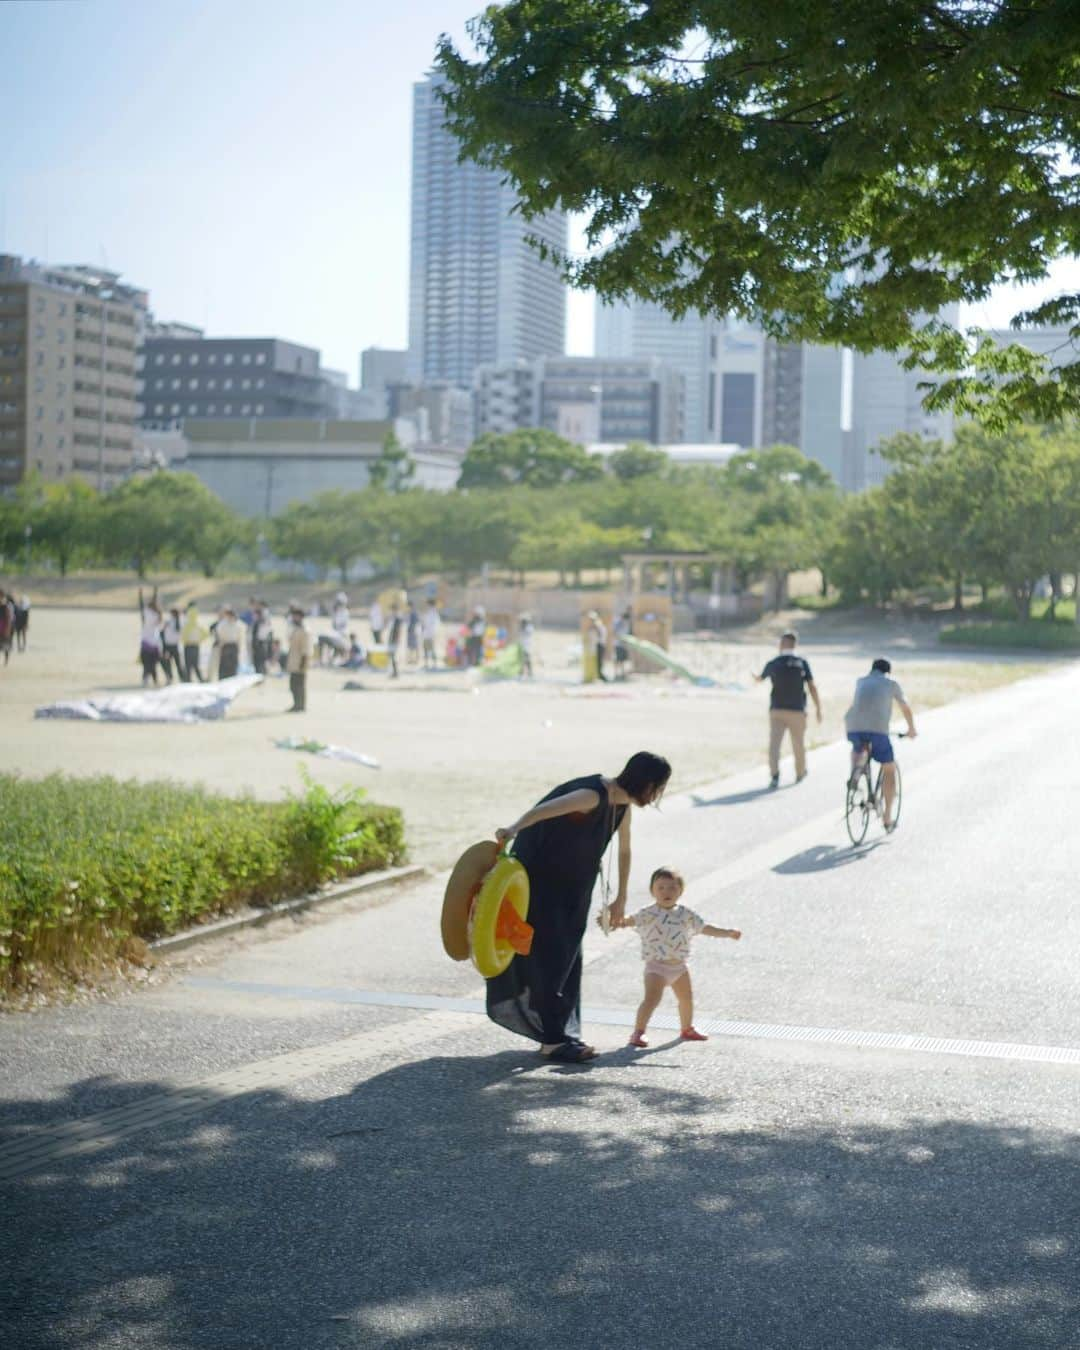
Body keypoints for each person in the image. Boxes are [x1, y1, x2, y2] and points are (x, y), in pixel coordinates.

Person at [488, 750, 673, 1063]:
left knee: (570, 959)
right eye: (657, 788)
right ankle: (553, 1039)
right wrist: (513, 828)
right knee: (551, 957)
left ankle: (559, 1033)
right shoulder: (591, 796)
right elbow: (543, 811)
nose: (656, 795)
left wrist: (621, 897)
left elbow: (625, 850)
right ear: (645, 783)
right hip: (542, 882)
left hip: (575, 886)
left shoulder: (621, 806)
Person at [617, 865, 741, 1047]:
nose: (666, 892)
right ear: (652, 891)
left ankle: (687, 1028)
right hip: (656, 966)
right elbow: (630, 920)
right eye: (660, 888)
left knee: (686, 998)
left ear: (680, 891)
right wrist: (618, 921)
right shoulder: (648, 913)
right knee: (651, 1000)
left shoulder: (685, 914)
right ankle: (638, 1032)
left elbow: (704, 927)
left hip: (679, 966)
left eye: (672, 888)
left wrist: (727, 932)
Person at [845, 657, 917, 832]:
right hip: (878, 729)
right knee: (889, 768)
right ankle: (887, 817)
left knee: (859, 747)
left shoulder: (861, 681)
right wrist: (911, 729)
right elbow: (905, 706)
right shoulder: (891, 683)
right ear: (888, 671)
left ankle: (856, 769)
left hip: (853, 726)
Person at [754, 631, 822, 788]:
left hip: (776, 709)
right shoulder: (802, 662)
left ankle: (775, 775)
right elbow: (812, 687)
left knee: (774, 745)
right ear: (794, 644)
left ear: (782, 644)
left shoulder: (774, 662)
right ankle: (800, 773)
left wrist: (755, 677)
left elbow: (760, 679)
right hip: (797, 710)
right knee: (798, 744)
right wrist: (818, 708)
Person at [286, 606, 312, 712]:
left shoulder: (305, 630)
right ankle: (296, 704)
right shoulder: (295, 628)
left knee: (299, 685)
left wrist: (303, 662)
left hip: (301, 660)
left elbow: (306, 648)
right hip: (294, 659)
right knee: (293, 684)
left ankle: (300, 705)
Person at [138, 590, 163, 687]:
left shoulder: (147, 613)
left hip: (146, 643)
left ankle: (146, 679)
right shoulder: (158, 615)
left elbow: (142, 605)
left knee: (146, 664)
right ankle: (155, 680)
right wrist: (155, 593)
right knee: (153, 664)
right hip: (155, 644)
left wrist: (140, 595)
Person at [181, 602, 208, 682]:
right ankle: (201, 680)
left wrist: (185, 640)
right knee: (196, 664)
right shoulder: (198, 623)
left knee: (188, 665)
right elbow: (206, 634)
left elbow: (183, 636)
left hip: (188, 645)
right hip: (196, 645)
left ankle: (188, 680)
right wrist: (199, 640)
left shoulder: (187, 623)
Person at [215, 607, 244, 679]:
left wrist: (239, 648)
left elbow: (239, 638)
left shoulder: (238, 624)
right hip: (226, 645)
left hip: (232, 645)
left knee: (232, 666)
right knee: (225, 665)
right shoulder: (224, 624)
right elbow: (220, 636)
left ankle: (231, 679)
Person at [161, 608, 183, 683]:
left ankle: (170, 677)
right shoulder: (179, 622)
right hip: (175, 646)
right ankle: (181, 678)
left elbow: (164, 633)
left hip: (169, 646)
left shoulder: (171, 622)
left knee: (169, 663)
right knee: (177, 663)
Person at [251, 601, 273, 675]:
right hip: (260, 644)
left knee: (260, 661)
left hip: (260, 644)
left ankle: (261, 674)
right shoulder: (258, 622)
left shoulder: (261, 623)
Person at [587, 610, 609, 682]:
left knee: (599, 662)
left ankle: (600, 676)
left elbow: (599, 635)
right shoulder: (597, 624)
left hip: (599, 644)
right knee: (597, 661)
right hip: (599, 644)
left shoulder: (597, 625)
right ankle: (598, 675)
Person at [420, 598, 440, 670]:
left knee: (431, 649)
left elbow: (435, 625)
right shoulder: (428, 612)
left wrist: (433, 634)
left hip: (430, 634)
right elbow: (424, 622)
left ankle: (434, 664)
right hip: (426, 634)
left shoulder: (434, 613)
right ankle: (426, 664)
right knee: (425, 649)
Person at [613, 608, 632, 680]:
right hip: (618, 644)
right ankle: (616, 674)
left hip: (624, 645)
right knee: (618, 660)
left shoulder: (626, 624)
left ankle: (622, 673)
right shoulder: (619, 623)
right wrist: (621, 639)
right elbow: (615, 633)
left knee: (623, 660)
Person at [385, 604, 402, 678]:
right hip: (391, 639)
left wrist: (397, 639)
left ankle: (395, 672)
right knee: (391, 656)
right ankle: (394, 672)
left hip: (394, 640)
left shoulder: (398, 619)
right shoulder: (393, 618)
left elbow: (399, 630)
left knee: (393, 656)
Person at [518, 612, 535, 679]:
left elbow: (527, 634)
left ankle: (529, 672)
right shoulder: (523, 627)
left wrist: (523, 629)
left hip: (527, 645)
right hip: (522, 645)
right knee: (522, 659)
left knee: (526, 659)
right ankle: (521, 672)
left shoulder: (529, 627)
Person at [0, 592, 14, 667]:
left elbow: (8, 619)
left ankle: (6, 661)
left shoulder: (5, 607)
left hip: (4, 628)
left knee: (5, 646)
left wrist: (7, 630)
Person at [406, 601, 420, 665]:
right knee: (411, 647)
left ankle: (416, 660)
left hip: (413, 631)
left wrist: (414, 630)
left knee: (415, 646)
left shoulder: (414, 613)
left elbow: (416, 622)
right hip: (410, 631)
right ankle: (411, 659)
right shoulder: (410, 613)